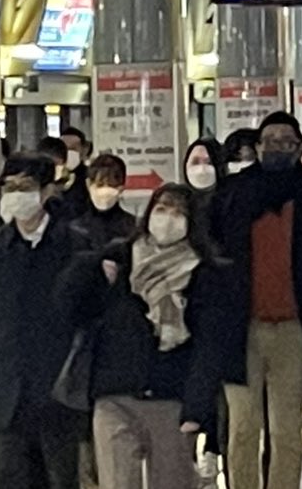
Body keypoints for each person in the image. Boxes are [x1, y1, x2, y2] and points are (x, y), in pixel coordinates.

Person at [197, 113, 302, 489]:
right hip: (241, 329)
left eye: (286, 141)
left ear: (299, 148)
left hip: (293, 329)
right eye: (269, 141)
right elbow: (210, 253)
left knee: (286, 429)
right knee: (242, 427)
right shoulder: (232, 193)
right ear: (257, 147)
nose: (277, 147)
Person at [68, 183, 208, 489]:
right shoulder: (119, 256)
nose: (167, 218)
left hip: (170, 395)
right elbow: (69, 304)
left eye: (178, 213)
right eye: (162, 209)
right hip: (114, 390)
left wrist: (198, 407)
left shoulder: (201, 270)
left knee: (172, 482)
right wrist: (93, 269)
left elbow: (208, 346)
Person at [0, 153, 85, 488]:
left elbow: (89, 319)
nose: (16, 195)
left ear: (47, 191)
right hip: (8, 389)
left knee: (62, 478)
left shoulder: (75, 247)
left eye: (25, 187)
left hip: (60, 389)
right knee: (12, 477)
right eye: (10, 187)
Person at [73, 154, 138, 251]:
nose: (105, 190)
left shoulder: (134, 227)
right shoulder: (75, 228)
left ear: (121, 188)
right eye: (100, 185)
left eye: (111, 185)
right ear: (88, 184)